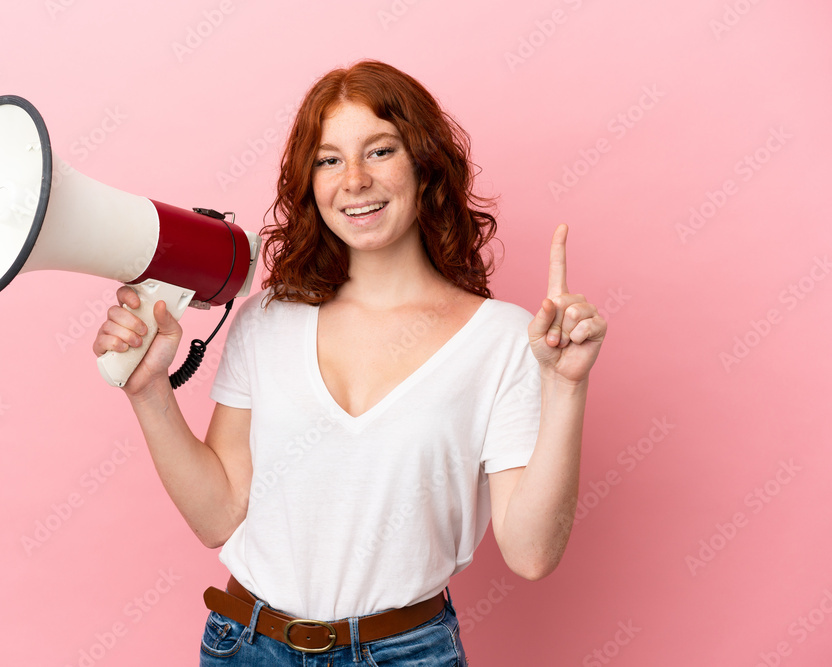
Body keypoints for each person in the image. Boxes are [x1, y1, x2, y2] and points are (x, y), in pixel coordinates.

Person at [93, 60, 606, 666]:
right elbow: (219, 517)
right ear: (309, 183)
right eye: (329, 159)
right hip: (247, 647)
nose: (355, 180)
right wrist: (149, 390)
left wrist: (567, 388)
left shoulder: (505, 341)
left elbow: (531, 555)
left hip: (407, 653)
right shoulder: (265, 319)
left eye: (380, 151)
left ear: (424, 166)